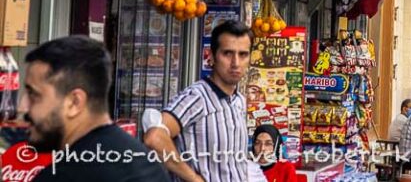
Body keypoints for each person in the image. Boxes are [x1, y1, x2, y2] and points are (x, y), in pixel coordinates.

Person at [18, 36, 170, 181]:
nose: (22, 107)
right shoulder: (143, 161)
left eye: (34, 94)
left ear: (74, 102)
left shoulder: (66, 175)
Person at [144, 20, 252, 182]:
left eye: (243, 54)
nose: (236, 63)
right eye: (227, 53)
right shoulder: (197, 98)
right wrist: (193, 178)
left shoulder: (238, 101)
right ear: (212, 56)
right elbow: (154, 138)